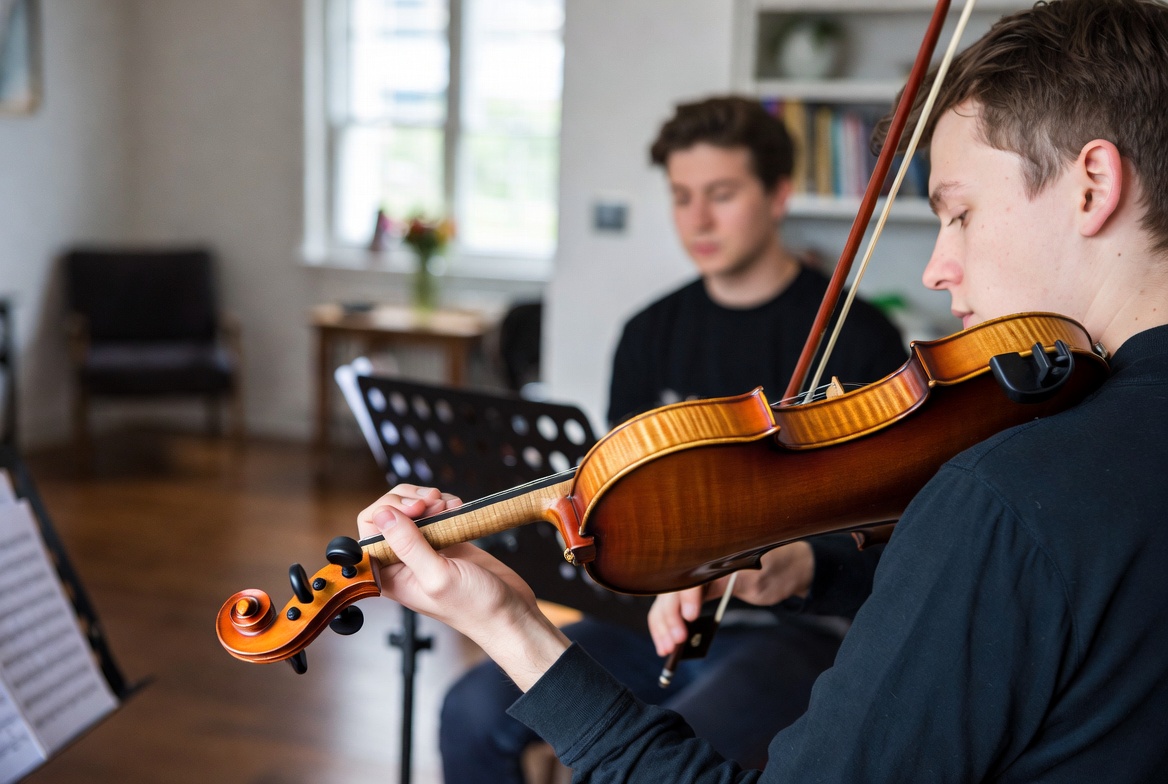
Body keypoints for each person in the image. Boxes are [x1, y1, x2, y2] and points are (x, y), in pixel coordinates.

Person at [362, 0, 1168, 778]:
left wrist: (505, 621)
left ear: (1092, 184)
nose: (936, 266)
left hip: (794, 646)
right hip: (716, 617)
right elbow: (988, 590)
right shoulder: (1052, 474)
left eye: (957, 213)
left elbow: (975, 565)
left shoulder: (1005, 489)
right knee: (473, 713)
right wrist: (794, 566)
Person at [437, 96, 907, 781]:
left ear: (778, 195)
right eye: (682, 196)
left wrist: (801, 563)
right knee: (472, 710)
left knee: (689, 742)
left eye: (722, 194)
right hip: (659, 621)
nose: (699, 219)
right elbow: (625, 509)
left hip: (798, 631)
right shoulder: (649, 333)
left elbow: (902, 535)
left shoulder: (857, 337)